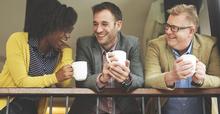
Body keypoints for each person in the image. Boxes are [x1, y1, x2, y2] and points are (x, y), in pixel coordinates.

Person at [0, 0, 77, 114]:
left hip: (33, 108)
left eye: (70, 30)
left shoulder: (59, 52)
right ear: (51, 26)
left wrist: (67, 51)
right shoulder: (18, 40)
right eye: (65, 30)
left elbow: (64, 83)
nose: (68, 35)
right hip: (8, 105)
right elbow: (22, 82)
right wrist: (55, 77)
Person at [69, 2, 143, 114]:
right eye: (95, 24)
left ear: (118, 25)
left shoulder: (132, 43)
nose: (98, 30)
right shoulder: (84, 43)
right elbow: (81, 81)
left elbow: (140, 80)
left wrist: (127, 78)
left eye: (104, 24)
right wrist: (101, 79)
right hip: (89, 110)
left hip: (124, 110)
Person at [144, 4, 220, 114]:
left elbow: (218, 78)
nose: (168, 32)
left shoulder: (210, 45)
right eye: (167, 26)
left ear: (191, 31)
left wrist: (202, 79)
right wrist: (171, 76)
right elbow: (149, 80)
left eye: (174, 28)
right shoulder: (155, 45)